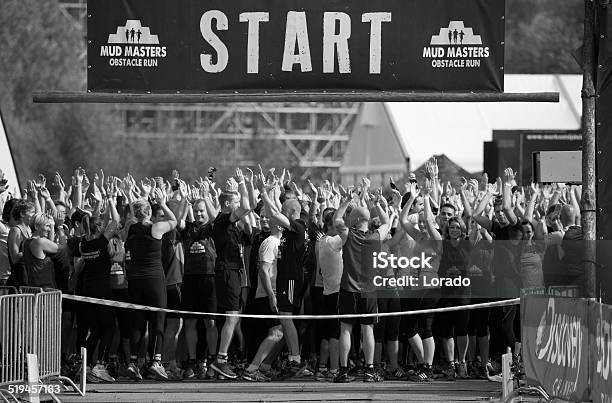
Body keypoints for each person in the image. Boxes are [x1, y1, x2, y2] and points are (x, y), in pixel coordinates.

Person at [333, 178, 391, 383]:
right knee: (368, 330)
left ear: (355, 221)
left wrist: (346, 202)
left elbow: (336, 219)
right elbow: (387, 223)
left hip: (348, 288)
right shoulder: (376, 237)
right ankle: (369, 370)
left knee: (346, 329)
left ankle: (342, 371)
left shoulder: (348, 233)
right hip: (368, 291)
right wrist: (376, 203)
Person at [124, 188, 177, 380]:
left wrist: (133, 201)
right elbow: (174, 221)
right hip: (154, 279)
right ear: (149, 212)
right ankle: (156, 361)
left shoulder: (130, 228)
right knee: (158, 321)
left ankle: (132, 362)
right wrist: (162, 202)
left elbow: (132, 214)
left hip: (135, 280)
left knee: (138, 321)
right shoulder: (156, 228)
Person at [69, 197, 120, 383]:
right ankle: (99, 365)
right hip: (102, 291)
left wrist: (97, 211)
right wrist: (112, 199)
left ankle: (86, 366)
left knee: (96, 329)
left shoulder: (83, 244)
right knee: (109, 327)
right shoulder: (101, 243)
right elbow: (115, 223)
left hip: (87, 291)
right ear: (100, 229)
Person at [210, 169, 251, 379]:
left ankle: (220, 360)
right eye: (233, 201)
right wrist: (242, 183)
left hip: (233, 271)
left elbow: (247, 208)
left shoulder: (232, 224)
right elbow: (245, 206)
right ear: (227, 204)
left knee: (232, 317)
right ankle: (220, 360)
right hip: (227, 271)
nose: (237, 205)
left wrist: (246, 186)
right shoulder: (222, 219)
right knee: (232, 317)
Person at [23, 212, 58, 288]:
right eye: (47, 226)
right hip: (44, 291)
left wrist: (51, 225)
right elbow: (60, 249)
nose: (49, 229)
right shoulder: (39, 242)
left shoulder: (26, 242)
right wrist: (60, 227)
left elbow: (49, 244)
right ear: (36, 226)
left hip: (32, 289)